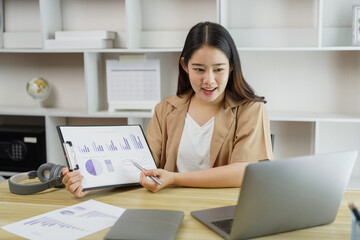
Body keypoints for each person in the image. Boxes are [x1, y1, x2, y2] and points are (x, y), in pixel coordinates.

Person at [62, 21, 273, 197]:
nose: (209, 80)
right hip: (168, 206)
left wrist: (174, 178)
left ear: (232, 66)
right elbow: (141, 167)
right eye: (199, 69)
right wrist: (89, 183)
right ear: (184, 65)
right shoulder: (166, 109)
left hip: (222, 208)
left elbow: (243, 173)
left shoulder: (251, 110)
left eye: (218, 69)